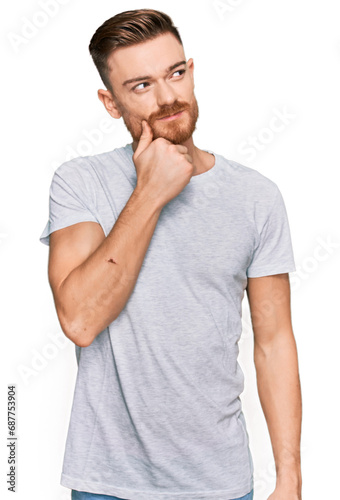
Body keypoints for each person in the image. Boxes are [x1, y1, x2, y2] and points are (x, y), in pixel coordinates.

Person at [39, 8, 302, 500]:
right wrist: (150, 193)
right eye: (140, 86)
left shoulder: (255, 196)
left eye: (176, 73)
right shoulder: (80, 183)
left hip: (221, 483)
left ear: (191, 71)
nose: (168, 98)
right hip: (109, 484)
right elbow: (79, 320)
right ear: (110, 103)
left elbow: (274, 342)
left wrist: (289, 477)